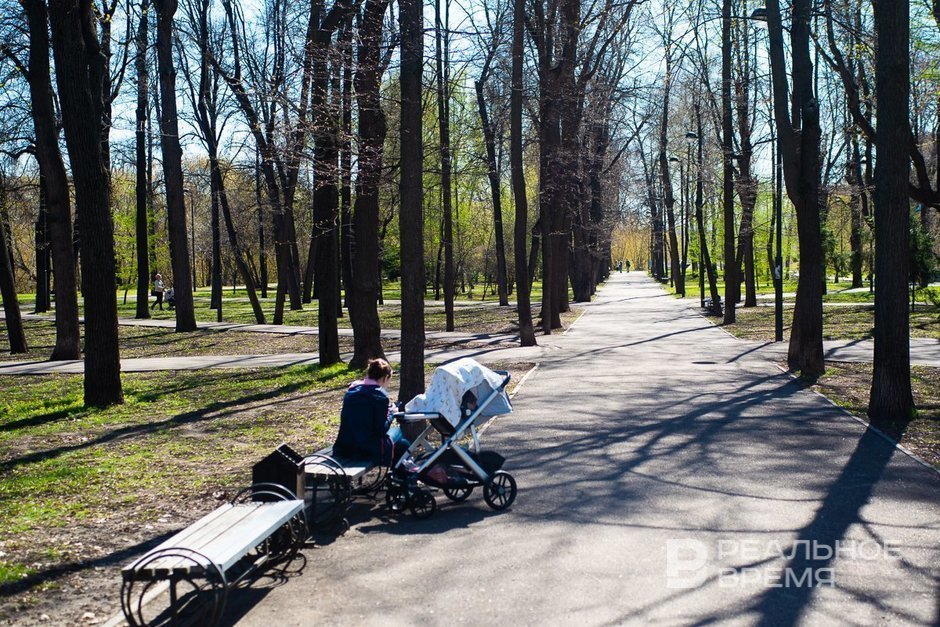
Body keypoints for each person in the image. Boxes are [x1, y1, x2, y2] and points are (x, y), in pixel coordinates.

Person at [333, 358, 411, 467]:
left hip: (344, 447)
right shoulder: (379, 397)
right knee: (398, 431)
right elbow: (381, 429)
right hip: (366, 449)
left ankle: (399, 478)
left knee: (403, 444)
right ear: (385, 378)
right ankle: (401, 479)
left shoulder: (351, 392)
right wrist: (392, 413)